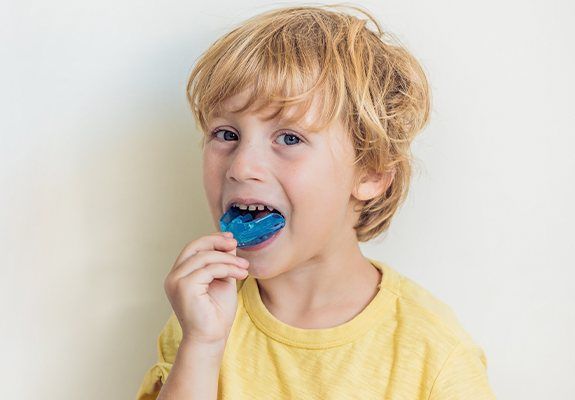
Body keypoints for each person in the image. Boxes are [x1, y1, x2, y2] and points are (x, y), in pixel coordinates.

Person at [135, 4, 496, 399]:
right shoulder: (203, 316)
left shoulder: (434, 355)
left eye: (289, 138)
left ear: (371, 172)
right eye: (225, 134)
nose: (242, 167)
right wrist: (201, 346)